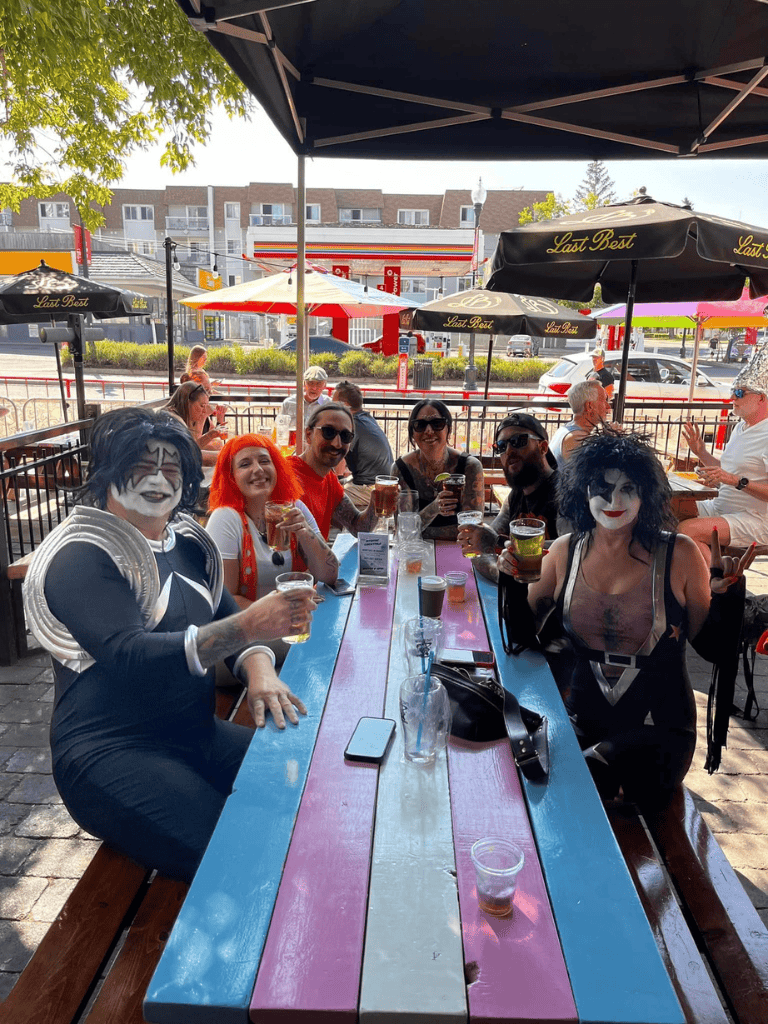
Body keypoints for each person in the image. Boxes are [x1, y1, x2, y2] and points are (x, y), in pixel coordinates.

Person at [22, 407, 316, 883]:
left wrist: (260, 672)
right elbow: (128, 654)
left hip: (194, 734)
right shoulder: (80, 554)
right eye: (141, 465)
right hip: (111, 753)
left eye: (171, 466)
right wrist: (252, 627)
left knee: (309, 777)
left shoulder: (189, 543)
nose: (158, 478)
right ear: (107, 472)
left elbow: (227, 621)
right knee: (242, 854)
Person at [497, 428, 755, 808]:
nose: (613, 499)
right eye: (601, 488)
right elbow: (520, 637)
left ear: (645, 494)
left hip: (659, 732)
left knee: (577, 783)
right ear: (583, 491)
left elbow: (712, 647)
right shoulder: (565, 551)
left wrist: (728, 597)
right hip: (580, 724)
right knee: (521, 776)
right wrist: (513, 579)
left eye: (627, 488)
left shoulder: (680, 554)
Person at [206, 434, 338, 666]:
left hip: (291, 627)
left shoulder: (294, 507)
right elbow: (225, 600)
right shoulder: (226, 518)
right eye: (245, 464)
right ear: (232, 477)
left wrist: (305, 532)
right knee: (330, 650)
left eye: (265, 461)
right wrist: (285, 612)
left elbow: (329, 575)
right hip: (247, 636)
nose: (258, 469)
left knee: (340, 641)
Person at [680, 358, 768, 559]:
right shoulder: (740, 427)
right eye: (732, 392)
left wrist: (736, 481)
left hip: (755, 519)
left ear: (761, 398)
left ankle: (712, 583)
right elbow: (727, 472)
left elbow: (732, 478)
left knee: (687, 530)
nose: (732, 398)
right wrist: (701, 452)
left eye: (739, 393)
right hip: (720, 508)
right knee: (666, 510)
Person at [458, 413, 563, 582]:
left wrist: (496, 543)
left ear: (543, 447)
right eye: (501, 446)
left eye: (518, 441)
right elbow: (488, 540)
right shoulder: (517, 494)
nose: (509, 451)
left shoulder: (565, 493)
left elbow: (574, 548)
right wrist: (481, 542)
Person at [391, 399, 484, 540]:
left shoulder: (469, 467)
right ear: (413, 433)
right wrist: (434, 507)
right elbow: (404, 532)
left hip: (457, 551)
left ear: (448, 429)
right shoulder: (401, 469)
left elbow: (474, 529)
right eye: (420, 425)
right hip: (415, 551)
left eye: (437, 424)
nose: (429, 431)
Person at [289, 402, 379, 540]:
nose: (336, 443)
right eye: (328, 432)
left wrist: (376, 503)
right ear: (308, 435)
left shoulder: (329, 479)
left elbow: (358, 527)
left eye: (345, 436)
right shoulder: (286, 475)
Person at [331, 381, 393, 510]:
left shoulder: (351, 424)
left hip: (373, 489)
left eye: (333, 403)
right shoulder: (366, 418)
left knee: (327, 494)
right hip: (380, 483)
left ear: (345, 406)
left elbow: (339, 457)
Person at [164, 381, 227, 468]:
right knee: (225, 457)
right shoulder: (171, 418)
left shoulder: (177, 415)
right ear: (187, 403)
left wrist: (211, 434)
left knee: (221, 451)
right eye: (202, 406)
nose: (204, 411)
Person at [549, 381, 613, 467]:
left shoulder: (567, 429)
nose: (608, 407)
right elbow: (599, 471)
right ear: (590, 406)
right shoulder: (576, 438)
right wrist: (614, 439)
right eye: (604, 401)